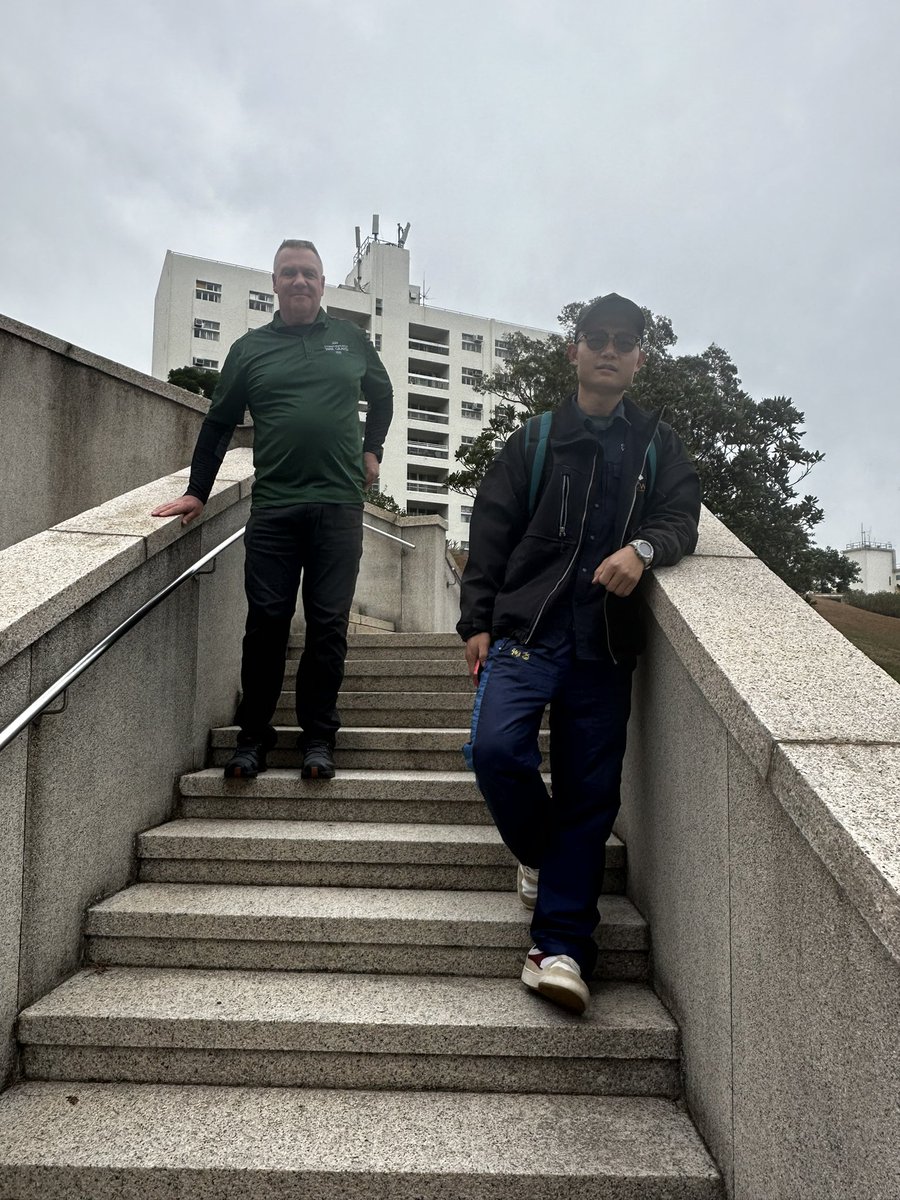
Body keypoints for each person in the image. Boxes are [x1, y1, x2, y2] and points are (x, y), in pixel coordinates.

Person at [457, 293, 700, 1015]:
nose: (608, 349)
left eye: (624, 341)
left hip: (605, 643)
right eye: (596, 337)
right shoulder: (535, 440)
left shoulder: (658, 443)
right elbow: (492, 529)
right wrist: (475, 620)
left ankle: (560, 947)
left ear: (639, 359)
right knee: (496, 751)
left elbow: (683, 515)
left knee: (591, 797)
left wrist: (644, 548)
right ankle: (540, 854)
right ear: (574, 349)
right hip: (527, 633)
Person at [152, 239, 393, 781]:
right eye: (290, 273)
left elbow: (384, 396)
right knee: (266, 624)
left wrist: (371, 448)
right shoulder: (249, 349)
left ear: (322, 282)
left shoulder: (350, 340)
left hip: (338, 506)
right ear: (275, 283)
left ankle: (317, 737)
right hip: (275, 508)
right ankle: (253, 738)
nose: (300, 281)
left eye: (309, 273)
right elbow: (218, 423)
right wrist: (197, 490)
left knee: (329, 625)